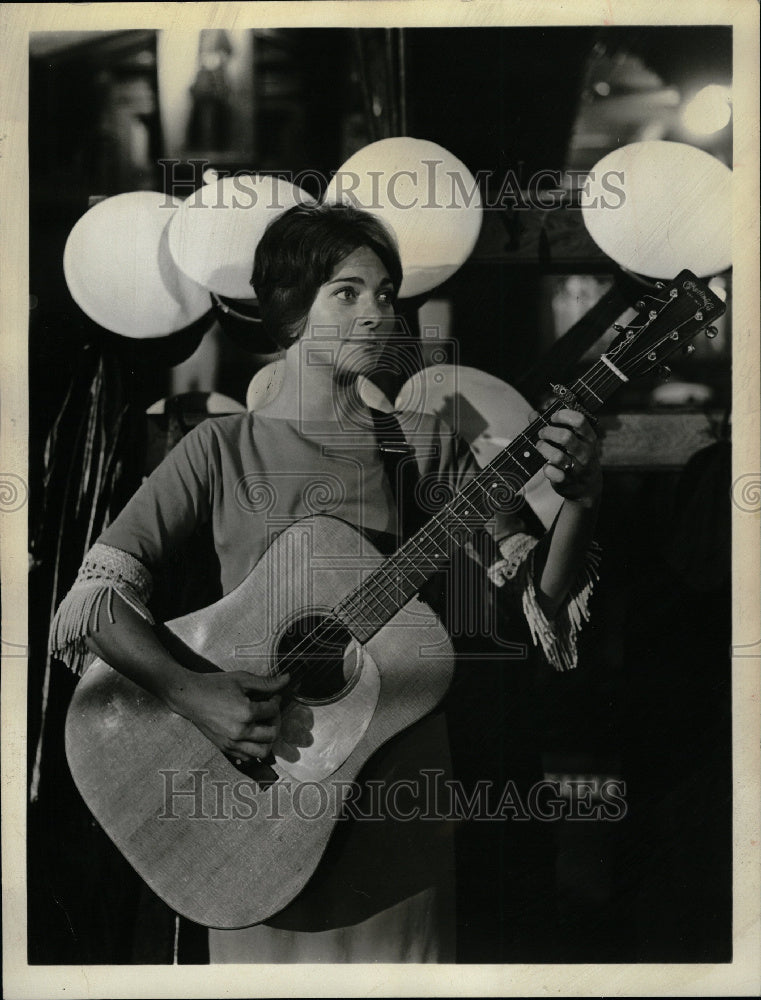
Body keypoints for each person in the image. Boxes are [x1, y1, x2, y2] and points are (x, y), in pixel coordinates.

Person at [49, 202, 602, 963]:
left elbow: (537, 601)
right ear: (288, 305)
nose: (376, 313)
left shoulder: (425, 441)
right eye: (347, 292)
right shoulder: (220, 447)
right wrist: (195, 694)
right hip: (258, 801)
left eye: (385, 294)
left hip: (398, 794)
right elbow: (96, 601)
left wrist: (577, 504)